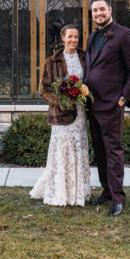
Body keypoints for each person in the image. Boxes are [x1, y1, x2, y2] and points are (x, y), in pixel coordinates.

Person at [84, 0, 130, 217]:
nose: (98, 14)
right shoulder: (91, 37)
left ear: (110, 9)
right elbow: (90, 67)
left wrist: (123, 98)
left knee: (114, 151)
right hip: (92, 104)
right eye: (94, 11)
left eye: (101, 10)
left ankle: (118, 198)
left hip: (111, 104)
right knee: (99, 151)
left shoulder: (123, 35)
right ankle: (106, 190)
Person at [29, 24, 91, 206]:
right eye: (70, 36)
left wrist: (84, 93)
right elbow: (44, 89)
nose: (73, 40)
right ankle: (60, 193)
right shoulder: (52, 61)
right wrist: (61, 101)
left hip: (79, 113)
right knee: (63, 151)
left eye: (76, 37)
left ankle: (77, 193)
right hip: (61, 114)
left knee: (78, 149)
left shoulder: (84, 58)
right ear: (62, 38)